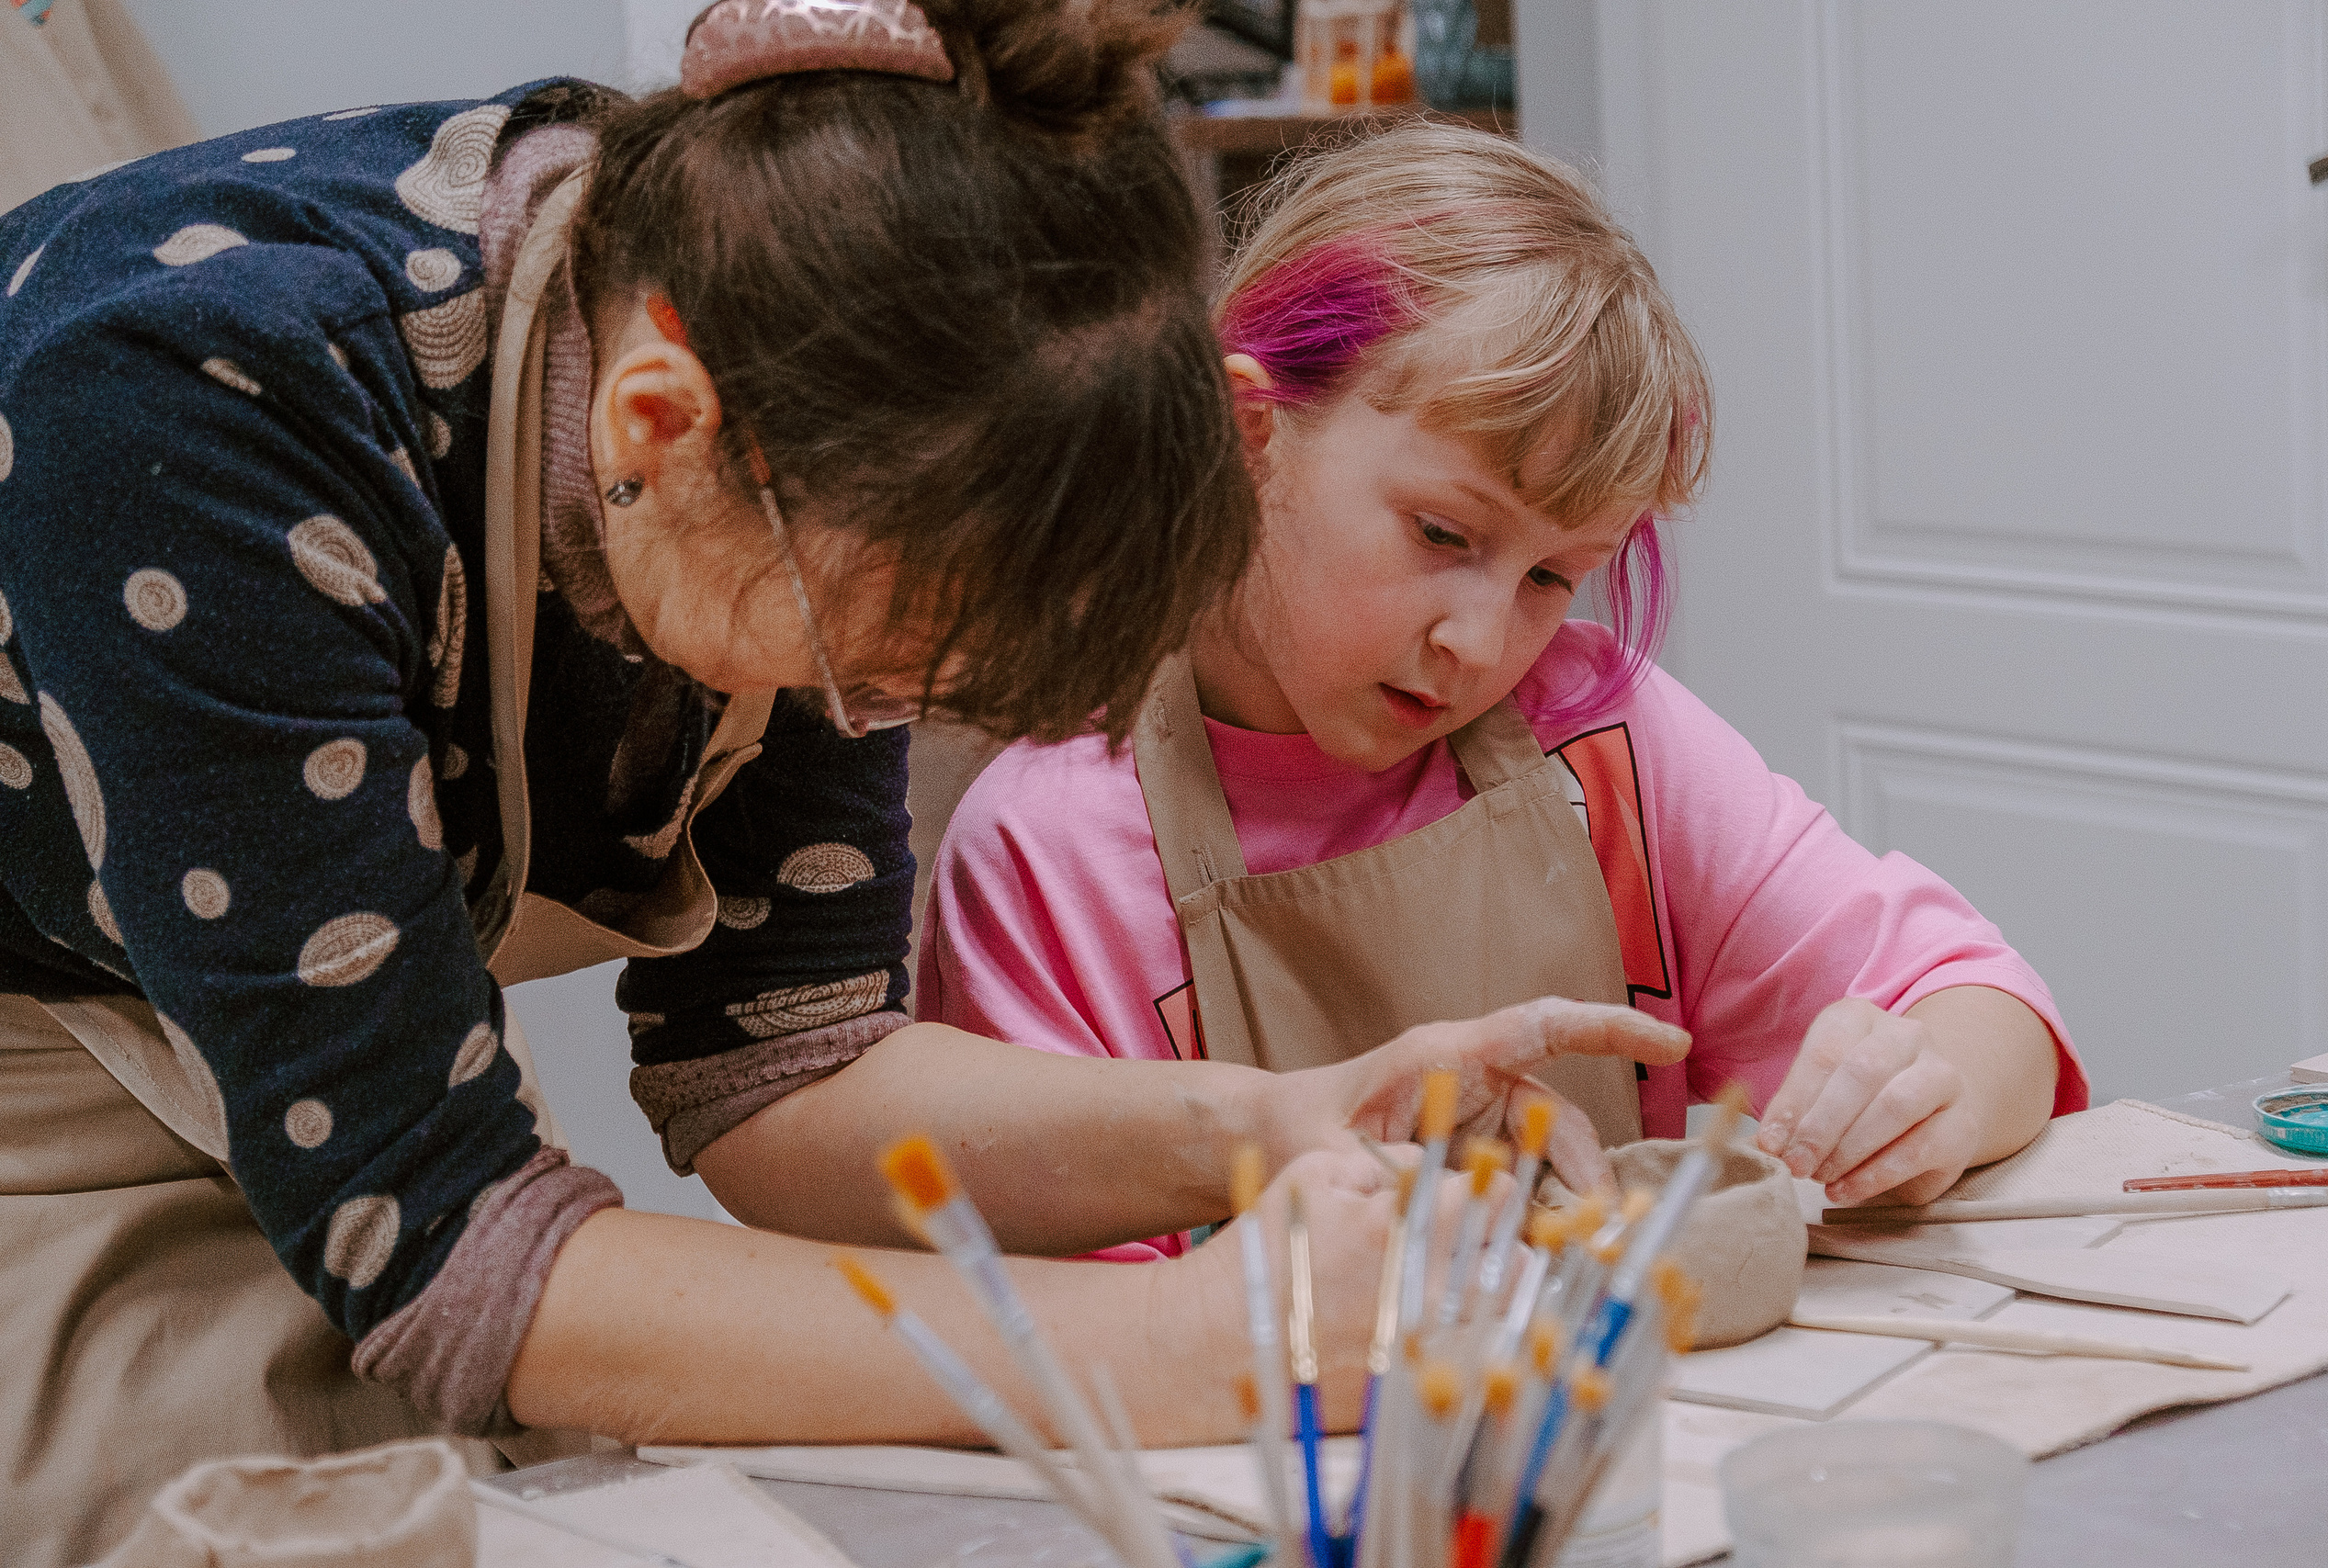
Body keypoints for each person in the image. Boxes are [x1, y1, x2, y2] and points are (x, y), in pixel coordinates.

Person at [0, 6, 1689, 1562]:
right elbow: (445, 1257)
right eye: (878, 671)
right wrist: (1189, 1348)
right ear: (663, 424)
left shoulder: (837, 391)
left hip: (288, 1034)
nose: (868, 713)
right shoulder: (187, 416)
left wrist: (1264, 1126)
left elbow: (782, 1071)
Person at [920, 124, 2090, 1263]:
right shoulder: (1050, 848)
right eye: (1441, 533)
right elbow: (1080, 1334)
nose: (1480, 644)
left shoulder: (1605, 736)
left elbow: (1981, 1005)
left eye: (1549, 576)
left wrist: (1924, 1093)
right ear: (1247, 433)